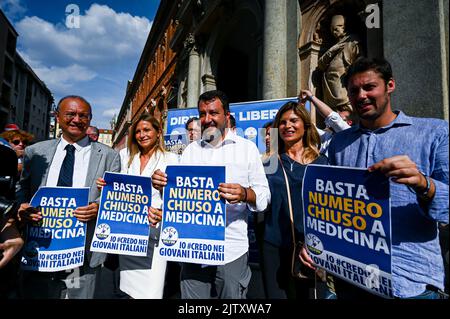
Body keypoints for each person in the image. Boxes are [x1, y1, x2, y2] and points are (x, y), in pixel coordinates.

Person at [301, 57, 449, 299]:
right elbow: (331, 206)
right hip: (351, 278)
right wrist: (315, 244)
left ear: (390, 85)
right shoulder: (339, 143)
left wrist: (425, 185)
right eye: (354, 91)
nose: (361, 96)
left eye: (369, 87)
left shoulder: (434, 133)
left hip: (409, 282)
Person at [151, 90, 270, 299]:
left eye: (213, 113)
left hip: (231, 247)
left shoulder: (247, 149)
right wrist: (163, 185)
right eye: (202, 114)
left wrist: (244, 193)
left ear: (227, 115)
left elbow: (263, 197)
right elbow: (180, 195)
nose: (207, 119)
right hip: (191, 247)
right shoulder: (191, 151)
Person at [16, 95, 121, 299]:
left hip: (83, 253)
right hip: (40, 249)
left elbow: (114, 197)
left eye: (83, 115)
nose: (77, 119)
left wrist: (99, 207)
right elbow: (23, 188)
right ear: (58, 116)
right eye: (70, 114)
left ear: (90, 119)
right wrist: (22, 207)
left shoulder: (109, 156)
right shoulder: (35, 152)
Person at [96, 113, 178, 299]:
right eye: (138, 132)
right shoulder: (124, 156)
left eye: (147, 130)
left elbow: (178, 198)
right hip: (128, 234)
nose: (142, 135)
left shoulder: (171, 159)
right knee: (127, 289)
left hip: (155, 235)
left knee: (151, 291)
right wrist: (105, 187)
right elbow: (116, 192)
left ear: (158, 133)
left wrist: (163, 210)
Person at [261, 101, 327, 299]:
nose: (287, 126)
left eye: (294, 121)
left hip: (312, 248)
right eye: (282, 122)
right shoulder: (269, 162)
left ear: (305, 125)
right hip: (274, 246)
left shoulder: (322, 161)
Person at [317, 14, 361, 111]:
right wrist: (333, 49)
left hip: (342, 81)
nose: (334, 32)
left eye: (336, 29)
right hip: (330, 84)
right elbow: (320, 64)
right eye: (332, 30)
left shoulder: (352, 40)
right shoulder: (334, 46)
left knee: (345, 107)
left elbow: (359, 61)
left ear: (344, 28)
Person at [299, 89, 354, 154]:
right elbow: (308, 126)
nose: (331, 123)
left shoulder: (348, 133)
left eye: (340, 117)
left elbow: (333, 118)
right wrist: (302, 104)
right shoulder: (327, 136)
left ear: (349, 123)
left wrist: (311, 97)